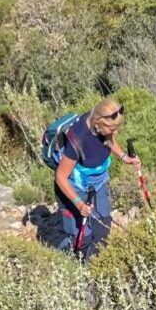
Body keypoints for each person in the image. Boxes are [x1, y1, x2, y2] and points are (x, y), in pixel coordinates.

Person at [54, 98, 139, 261]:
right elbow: (60, 176)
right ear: (98, 122)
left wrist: (124, 157)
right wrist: (79, 204)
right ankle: (63, 260)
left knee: (103, 227)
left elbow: (109, 141)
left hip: (98, 181)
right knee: (82, 236)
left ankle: (95, 266)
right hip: (75, 186)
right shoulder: (78, 138)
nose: (114, 132)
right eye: (112, 128)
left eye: (117, 128)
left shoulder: (104, 127)